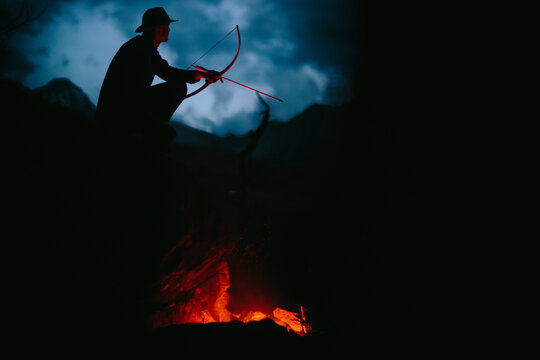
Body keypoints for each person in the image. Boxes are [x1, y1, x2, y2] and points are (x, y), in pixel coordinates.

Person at [95, 7, 221, 151]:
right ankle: (134, 141)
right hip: (118, 115)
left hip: (126, 108)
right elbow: (167, 73)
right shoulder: (140, 48)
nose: (169, 30)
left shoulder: (143, 47)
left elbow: (167, 72)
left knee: (178, 89)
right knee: (166, 130)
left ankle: (140, 135)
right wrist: (203, 74)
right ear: (157, 29)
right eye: (166, 26)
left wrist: (203, 74)